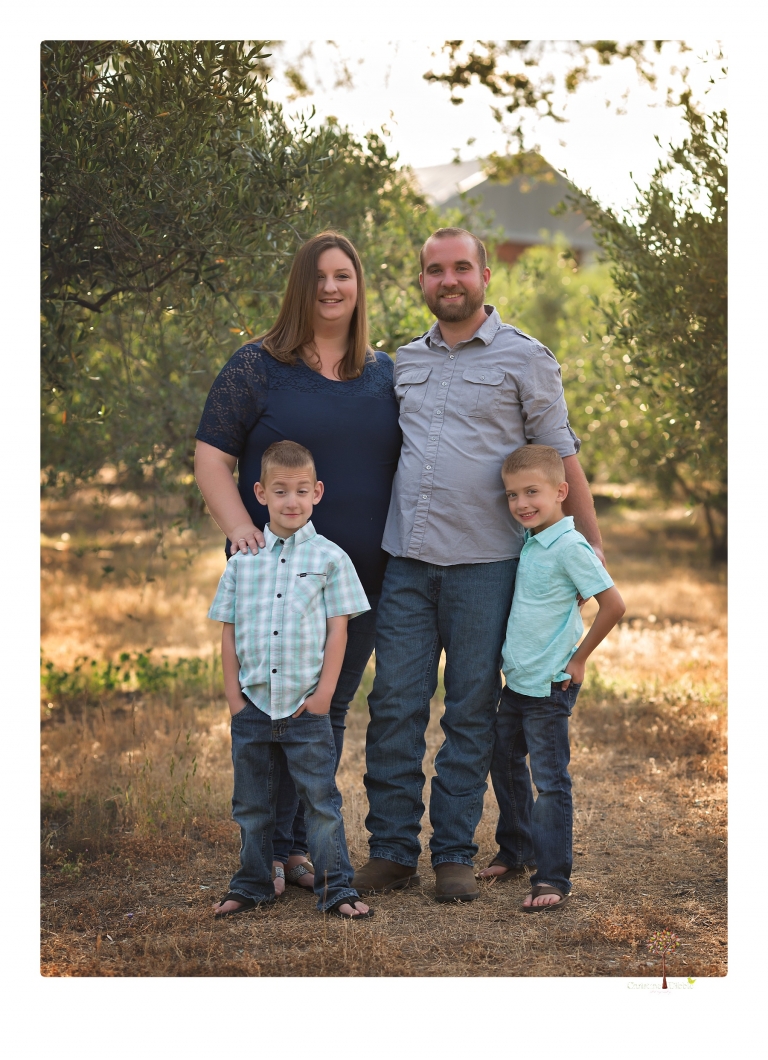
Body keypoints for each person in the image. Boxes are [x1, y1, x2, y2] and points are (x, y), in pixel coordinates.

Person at [354, 227, 606, 903]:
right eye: (434, 270)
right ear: (422, 283)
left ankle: (454, 855)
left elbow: (562, 454)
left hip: (488, 568)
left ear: (485, 276)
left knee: (470, 711)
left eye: (461, 267)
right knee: (395, 707)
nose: (449, 280)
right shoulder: (402, 362)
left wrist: (589, 547)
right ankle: (391, 851)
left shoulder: (526, 359)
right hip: (406, 561)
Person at [195, 232, 401, 894]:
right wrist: (237, 528)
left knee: (323, 709)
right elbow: (211, 456)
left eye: (344, 276)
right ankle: (277, 850)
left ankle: (293, 847)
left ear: (359, 285)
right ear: (300, 287)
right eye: (319, 278)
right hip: (274, 579)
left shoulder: (384, 374)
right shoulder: (257, 366)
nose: (332, 288)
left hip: (354, 581)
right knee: (267, 707)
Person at [209, 440, 374, 919]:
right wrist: (234, 698)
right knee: (253, 806)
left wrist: (325, 695)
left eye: (302, 491)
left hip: (306, 707)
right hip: (254, 707)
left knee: (321, 804)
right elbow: (228, 632)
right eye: (280, 491)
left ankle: (336, 889)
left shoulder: (330, 559)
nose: (291, 501)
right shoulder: (242, 561)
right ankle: (253, 884)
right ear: (260, 493)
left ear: (318, 492)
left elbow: (339, 630)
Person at [488, 444, 625, 910]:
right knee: (503, 762)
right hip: (518, 682)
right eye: (512, 495)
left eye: (532, 492)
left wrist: (579, 658)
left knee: (550, 781)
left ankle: (552, 879)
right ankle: (517, 848)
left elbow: (613, 605)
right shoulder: (530, 540)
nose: (522, 503)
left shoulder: (569, 546)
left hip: (551, 683)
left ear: (561, 492)